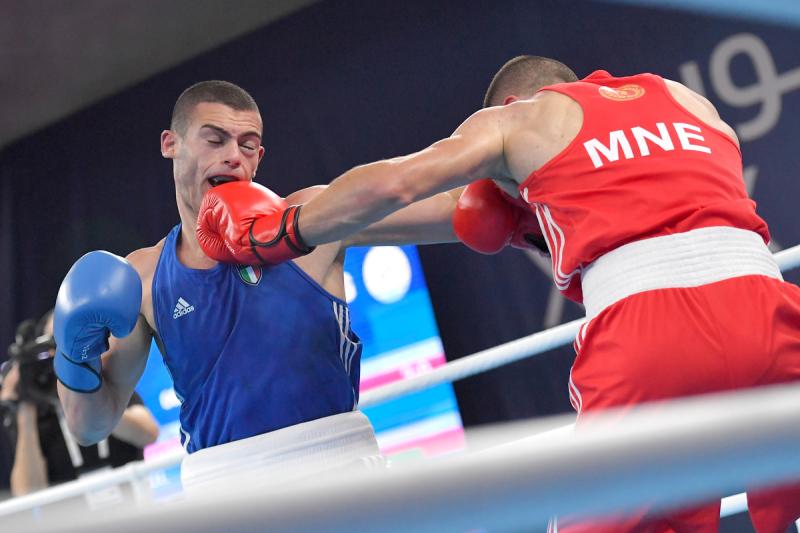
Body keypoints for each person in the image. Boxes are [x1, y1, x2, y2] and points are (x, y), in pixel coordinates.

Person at [203, 57, 800, 532]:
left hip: (653, 337)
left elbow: (398, 182)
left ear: (513, 104)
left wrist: (283, 227)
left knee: (614, 514)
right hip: (774, 312)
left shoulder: (519, 121)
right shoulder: (684, 98)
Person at [53, 81, 510, 492]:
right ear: (170, 144)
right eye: (215, 139)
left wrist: (528, 157)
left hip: (340, 468)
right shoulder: (145, 276)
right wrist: (73, 356)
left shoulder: (314, 220)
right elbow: (89, 426)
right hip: (223, 491)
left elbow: (460, 209)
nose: (234, 155)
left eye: (249, 145)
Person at [1, 311, 158, 497]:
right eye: (54, 345)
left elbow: (148, 434)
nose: (63, 355)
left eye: (67, 342)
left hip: (137, 513)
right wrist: (26, 401)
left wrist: (93, 398)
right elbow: (27, 492)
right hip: (75, 522)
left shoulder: (106, 377)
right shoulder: (37, 411)